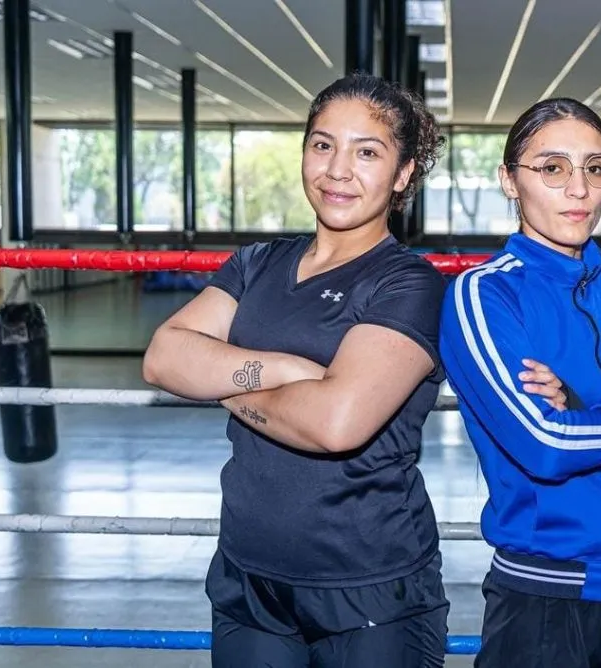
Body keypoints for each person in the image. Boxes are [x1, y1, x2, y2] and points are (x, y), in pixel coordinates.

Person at [142, 73, 451, 667]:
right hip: (248, 580)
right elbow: (163, 357)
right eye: (322, 144)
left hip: (370, 588)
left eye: (367, 152)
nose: (338, 170)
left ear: (404, 173)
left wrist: (220, 379)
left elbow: (336, 423)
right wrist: (283, 370)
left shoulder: (408, 284)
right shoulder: (257, 263)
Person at [438, 97, 601, 667]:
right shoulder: (487, 294)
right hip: (547, 596)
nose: (579, 189)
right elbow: (546, 447)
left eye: (595, 168)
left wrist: (586, 412)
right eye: (553, 168)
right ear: (510, 181)